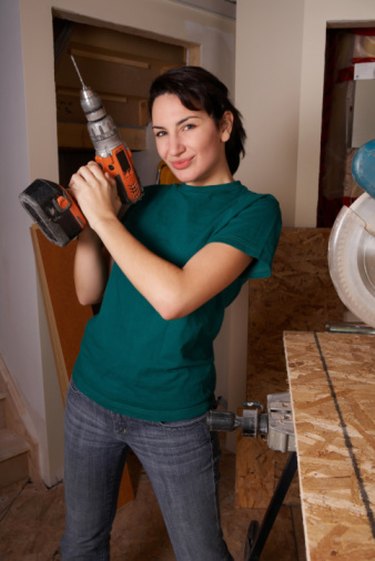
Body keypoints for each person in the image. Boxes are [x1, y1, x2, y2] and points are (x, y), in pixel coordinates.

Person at [60, 65, 282, 561]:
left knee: (201, 553)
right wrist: (97, 223)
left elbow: (175, 297)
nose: (173, 147)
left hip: (173, 415)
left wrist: (104, 218)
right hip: (91, 395)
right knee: (82, 541)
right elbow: (85, 291)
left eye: (188, 126)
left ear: (223, 126)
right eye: (161, 132)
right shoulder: (144, 199)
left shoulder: (252, 211)